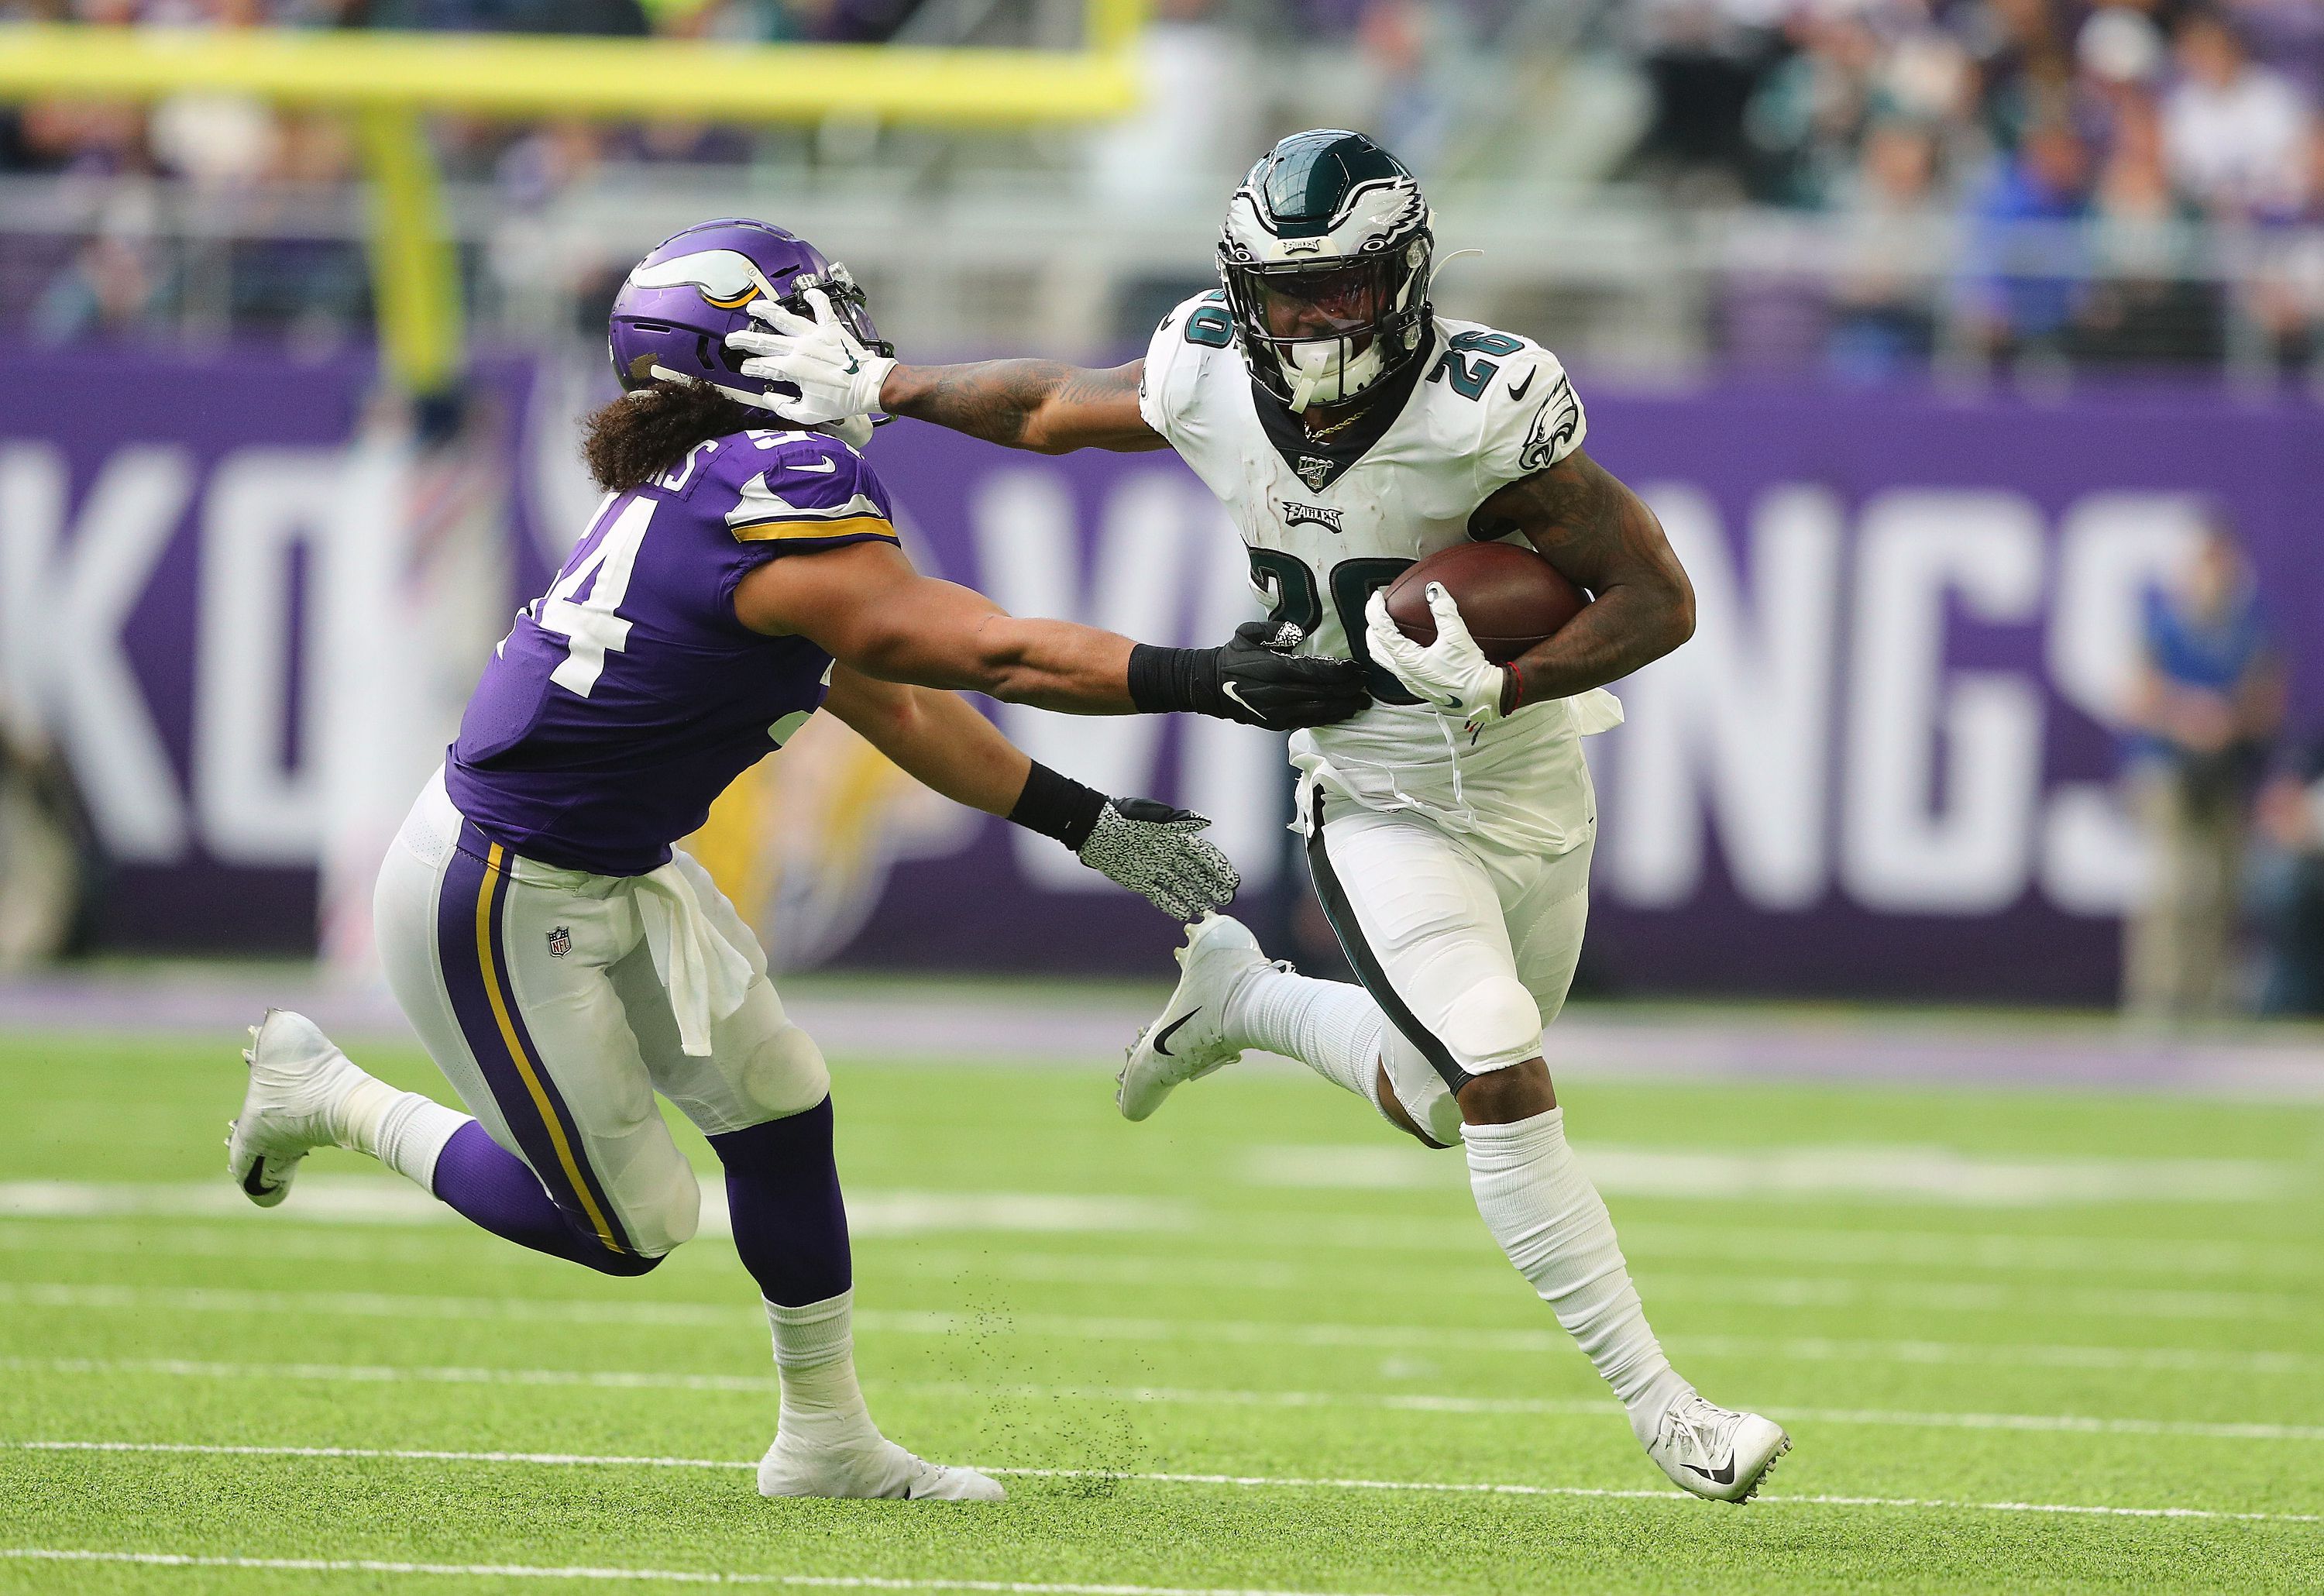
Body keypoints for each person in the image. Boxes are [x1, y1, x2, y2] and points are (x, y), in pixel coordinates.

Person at [225, 218, 1368, 1504]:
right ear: (738, 347)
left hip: (616, 861)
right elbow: (973, 651)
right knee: (632, 1226)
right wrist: (1199, 678)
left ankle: (824, 1441)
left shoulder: (725, 484)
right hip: (497, 885)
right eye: (812, 307)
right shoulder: (761, 487)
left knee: (779, 1104)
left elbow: (894, 704)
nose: (851, 332)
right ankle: (327, 1096)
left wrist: (1080, 817)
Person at [727, 132, 1791, 1503]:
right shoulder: (1211, 368)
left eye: (1342, 289)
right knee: (1496, 1069)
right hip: (1374, 792)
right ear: (1241, 290)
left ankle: (1240, 998)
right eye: (1286, 294)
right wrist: (890, 384)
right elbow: (1056, 403)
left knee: (1435, 1096)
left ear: (1403, 278)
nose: (1313, 322)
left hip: (1531, 778)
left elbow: (1659, 600)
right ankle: (1672, 1413)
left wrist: (1512, 674)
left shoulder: (1489, 403)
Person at [2121, 514, 2283, 1022]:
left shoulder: (2250, 632)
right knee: (2169, 884)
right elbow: (2137, 696)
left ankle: (2213, 997)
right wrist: (2189, 715)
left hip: (2228, 771)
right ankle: (2158, 997)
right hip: (2168, 768)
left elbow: (2267, 703)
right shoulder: (2162, 628)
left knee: (2224, 887)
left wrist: (2229, 721)